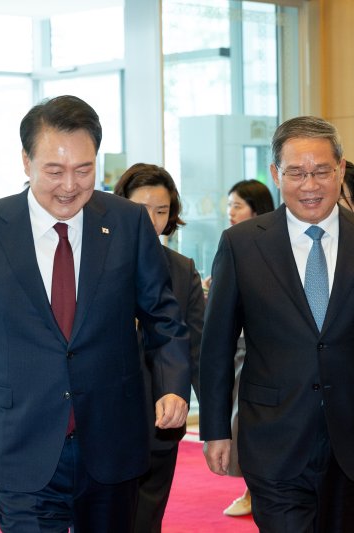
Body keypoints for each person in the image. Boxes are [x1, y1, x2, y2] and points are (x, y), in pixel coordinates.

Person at [0, 95, 191, 533]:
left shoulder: (127, 223)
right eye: (54, 170)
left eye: (84, 170)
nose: (70, 185)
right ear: (25, 161)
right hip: (21, 439)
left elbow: (164, 317)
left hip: (112, 439)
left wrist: (173, 386)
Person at [199, 115, 354, 532]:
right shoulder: (242, 245)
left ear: (340, 168)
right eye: (296, 172)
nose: (310, 185)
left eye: (321, 172)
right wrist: (214, 428)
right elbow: (217, 345)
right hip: (273, 436)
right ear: (276, 174)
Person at [113, 163, 205, 533]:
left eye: (161, 211)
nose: (151, 221)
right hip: (101, 424)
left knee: (146, 523)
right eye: (141, 210)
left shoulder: (182, 271)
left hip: (159, 424)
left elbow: (197, 351)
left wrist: (218, 426)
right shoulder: (93, 265)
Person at [219, 180, 275, 518]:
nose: (231, 212)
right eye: (230, 205)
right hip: (238, 344)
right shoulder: (233, 243)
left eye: (237, 205)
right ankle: (252, 487)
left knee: (247, 418)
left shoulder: (266, 245)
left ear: (256, 208)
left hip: (258, 348)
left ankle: (255, 489)